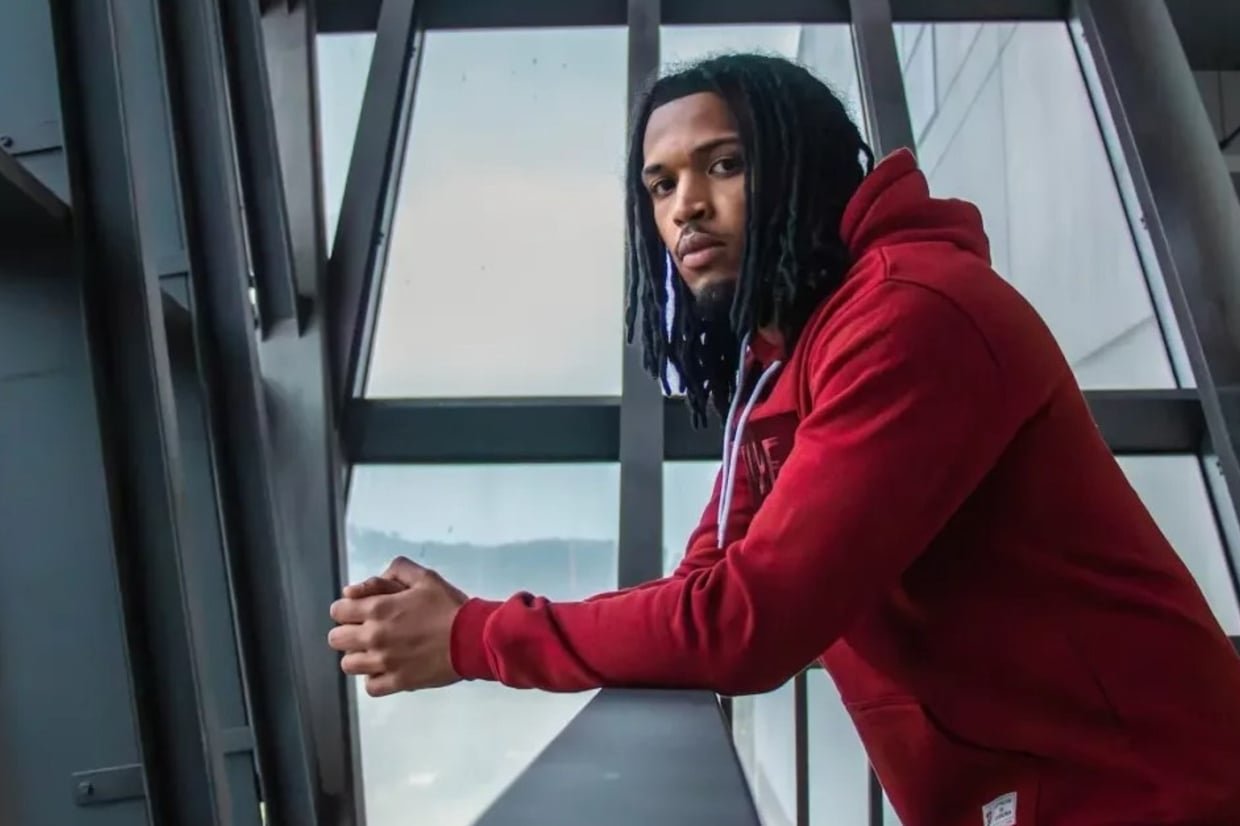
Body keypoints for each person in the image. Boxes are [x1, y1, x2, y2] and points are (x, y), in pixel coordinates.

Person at [328, 53, 1240, 824]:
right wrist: (476, 623)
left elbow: (745, 623)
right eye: (661, 184)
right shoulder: (786, 361)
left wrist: (474, 636)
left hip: (1153, 796)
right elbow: (705, 584)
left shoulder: (908, 318)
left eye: (723, 165)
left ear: (805, 167)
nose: (686, 206)